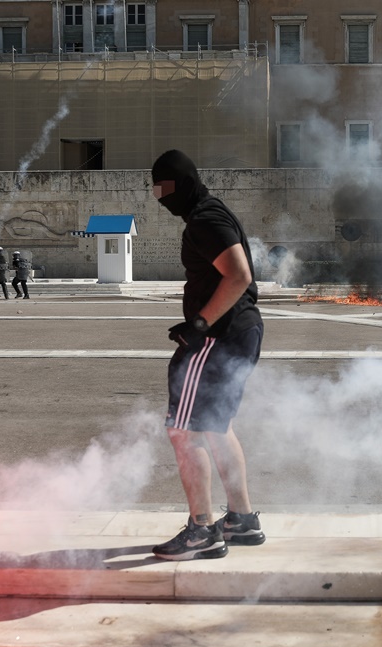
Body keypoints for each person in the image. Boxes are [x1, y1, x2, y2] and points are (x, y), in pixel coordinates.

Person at [149, 149, 265, 561]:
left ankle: (201, 529)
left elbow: (239, 275)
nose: (160, 198)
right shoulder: (211, 211)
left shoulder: (205, 219)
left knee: (184, 429)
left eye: (163, 188)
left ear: (182, 183)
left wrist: (198, 324)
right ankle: (241, 519)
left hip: (218, 335)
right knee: (215, 426)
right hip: (239, 331)